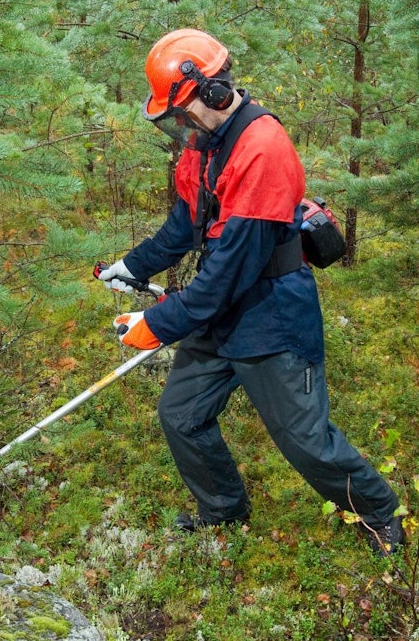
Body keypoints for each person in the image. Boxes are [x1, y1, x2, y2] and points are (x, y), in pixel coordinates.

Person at [98, 28, 403, 556]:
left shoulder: (262, 149)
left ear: (214, 92)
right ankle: (223, 509)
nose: (181, 126)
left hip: (271, 314)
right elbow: (184, 225)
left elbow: (226, 277)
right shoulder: (204, 145)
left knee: (304, 438)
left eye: (185, 112)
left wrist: (159, 325)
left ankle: (381, 515)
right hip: (221, 311)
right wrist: (132, 265)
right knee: (182, 414)